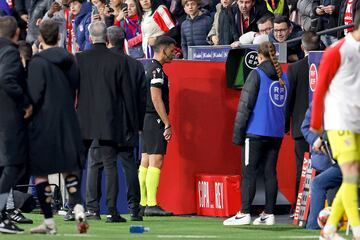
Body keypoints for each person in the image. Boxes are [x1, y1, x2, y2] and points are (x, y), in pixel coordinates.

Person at [26, 20, 88, 234]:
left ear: (41, 38)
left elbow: (34, 96)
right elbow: (75, 87)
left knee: (42, 173)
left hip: (45, 122)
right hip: (69, 119)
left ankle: (49, 222)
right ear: (60, 36)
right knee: (68, 169)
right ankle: (78, 208)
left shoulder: (38, 62)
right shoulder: (71, 60)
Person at [223, 41, 289, 226]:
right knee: (270, 172)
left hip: (255, 131)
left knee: (249, 173)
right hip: (275, 133)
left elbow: (245, 106)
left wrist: (237, 134)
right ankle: (269, 214)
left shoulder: (256, 74)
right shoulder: (284, 76)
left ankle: (244, 212)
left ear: (259, 57)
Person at [76, 21, 134, 222]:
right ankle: (112, 211)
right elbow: (127, 95)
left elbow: (72, 90)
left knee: (86, 164)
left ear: (90, 38)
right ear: (107, 39)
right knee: (109, 165)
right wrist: (132, 124)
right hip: (109, 120)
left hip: (83, 119)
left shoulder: (79, 59)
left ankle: (88, 209)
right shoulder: (118, 61)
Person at [310, 12, 360, 240]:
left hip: (356, 123)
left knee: (352, 176)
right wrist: (317, 126)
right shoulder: (337, 51)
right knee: (349, 174)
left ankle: (329, 230)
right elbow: (320, 89)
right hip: (339, 122)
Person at [0, 15, 32, 234]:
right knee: (13, 165)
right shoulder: (11, 52)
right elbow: (6, 79)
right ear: (17, 33)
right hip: (8, 117)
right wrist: (24, 103)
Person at [139, 36, 176, 216]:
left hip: (146, 119)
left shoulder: (147, 68)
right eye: (172, 50)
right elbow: (155, 98)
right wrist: (167, 123)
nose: (174, 53)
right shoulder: (157, 71)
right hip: (155, 119)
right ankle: (151, 204)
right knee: (156, 159)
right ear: (163, 50)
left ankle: (143, 202)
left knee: (145, 159)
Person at [285, 31, 320, 214]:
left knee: (302, 167)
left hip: (300, 127)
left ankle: (299, 210)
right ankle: (319, 207)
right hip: (322, 129)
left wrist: (285, 126)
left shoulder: (294, 69)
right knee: (323, 167)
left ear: (301, 47)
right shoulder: (326, 66)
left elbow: (288, 99)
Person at [301, 104, 342, 230]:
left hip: (347, 160)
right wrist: (319, 142)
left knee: (319, 184)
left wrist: (322, 139)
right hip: (334, 160)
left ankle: (313, 226)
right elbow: (306, 127)